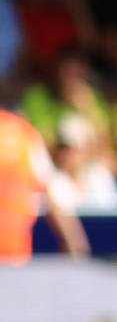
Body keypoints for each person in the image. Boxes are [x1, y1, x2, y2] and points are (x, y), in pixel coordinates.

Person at [0, 97, 89, 262]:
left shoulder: (24, 134)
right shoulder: (24, 133)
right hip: (14, 255)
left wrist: (73, 241)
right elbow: (50, 190)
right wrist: (74, 241)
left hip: (14, 253)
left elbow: (49, 188)